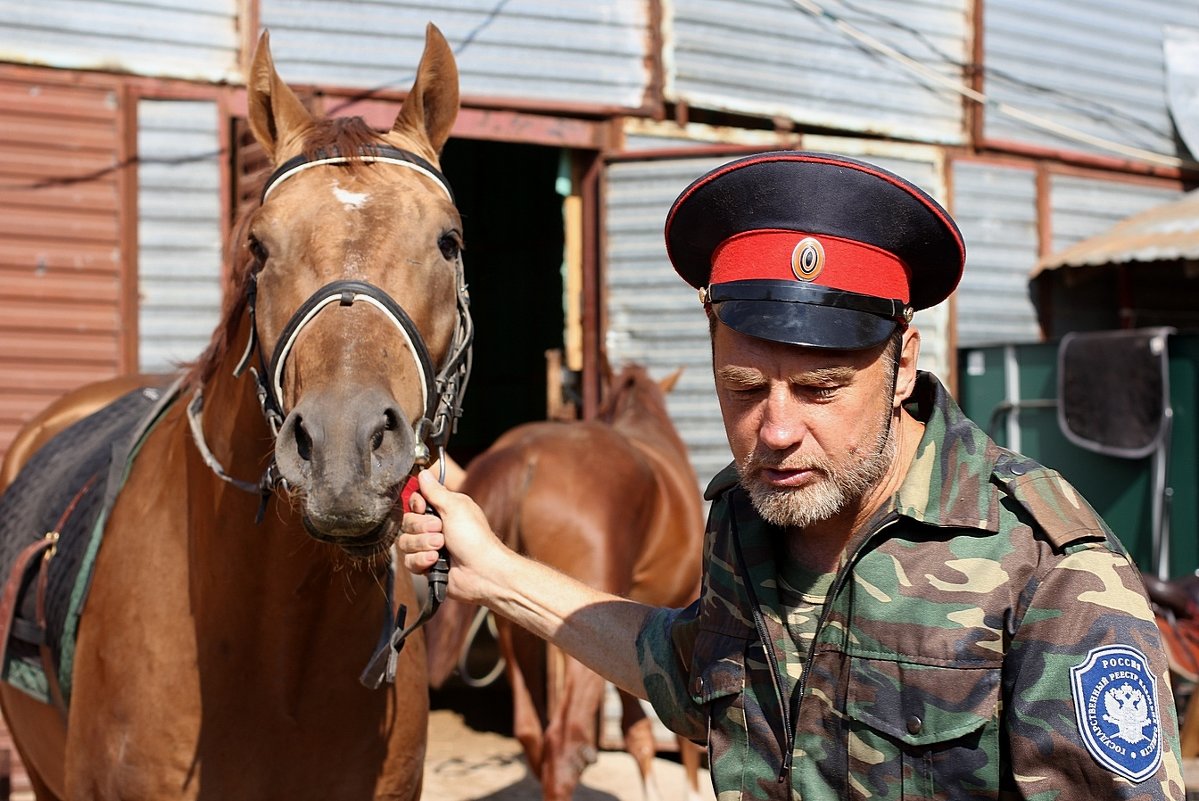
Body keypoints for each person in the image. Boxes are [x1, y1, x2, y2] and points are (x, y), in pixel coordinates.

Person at [400, 151, 1185, 800]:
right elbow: (687, 672)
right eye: (742, 389)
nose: (773, 431)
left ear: (902, 363)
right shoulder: (747, 520)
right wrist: (493, 570)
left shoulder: (1045, 564)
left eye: (821, 389)